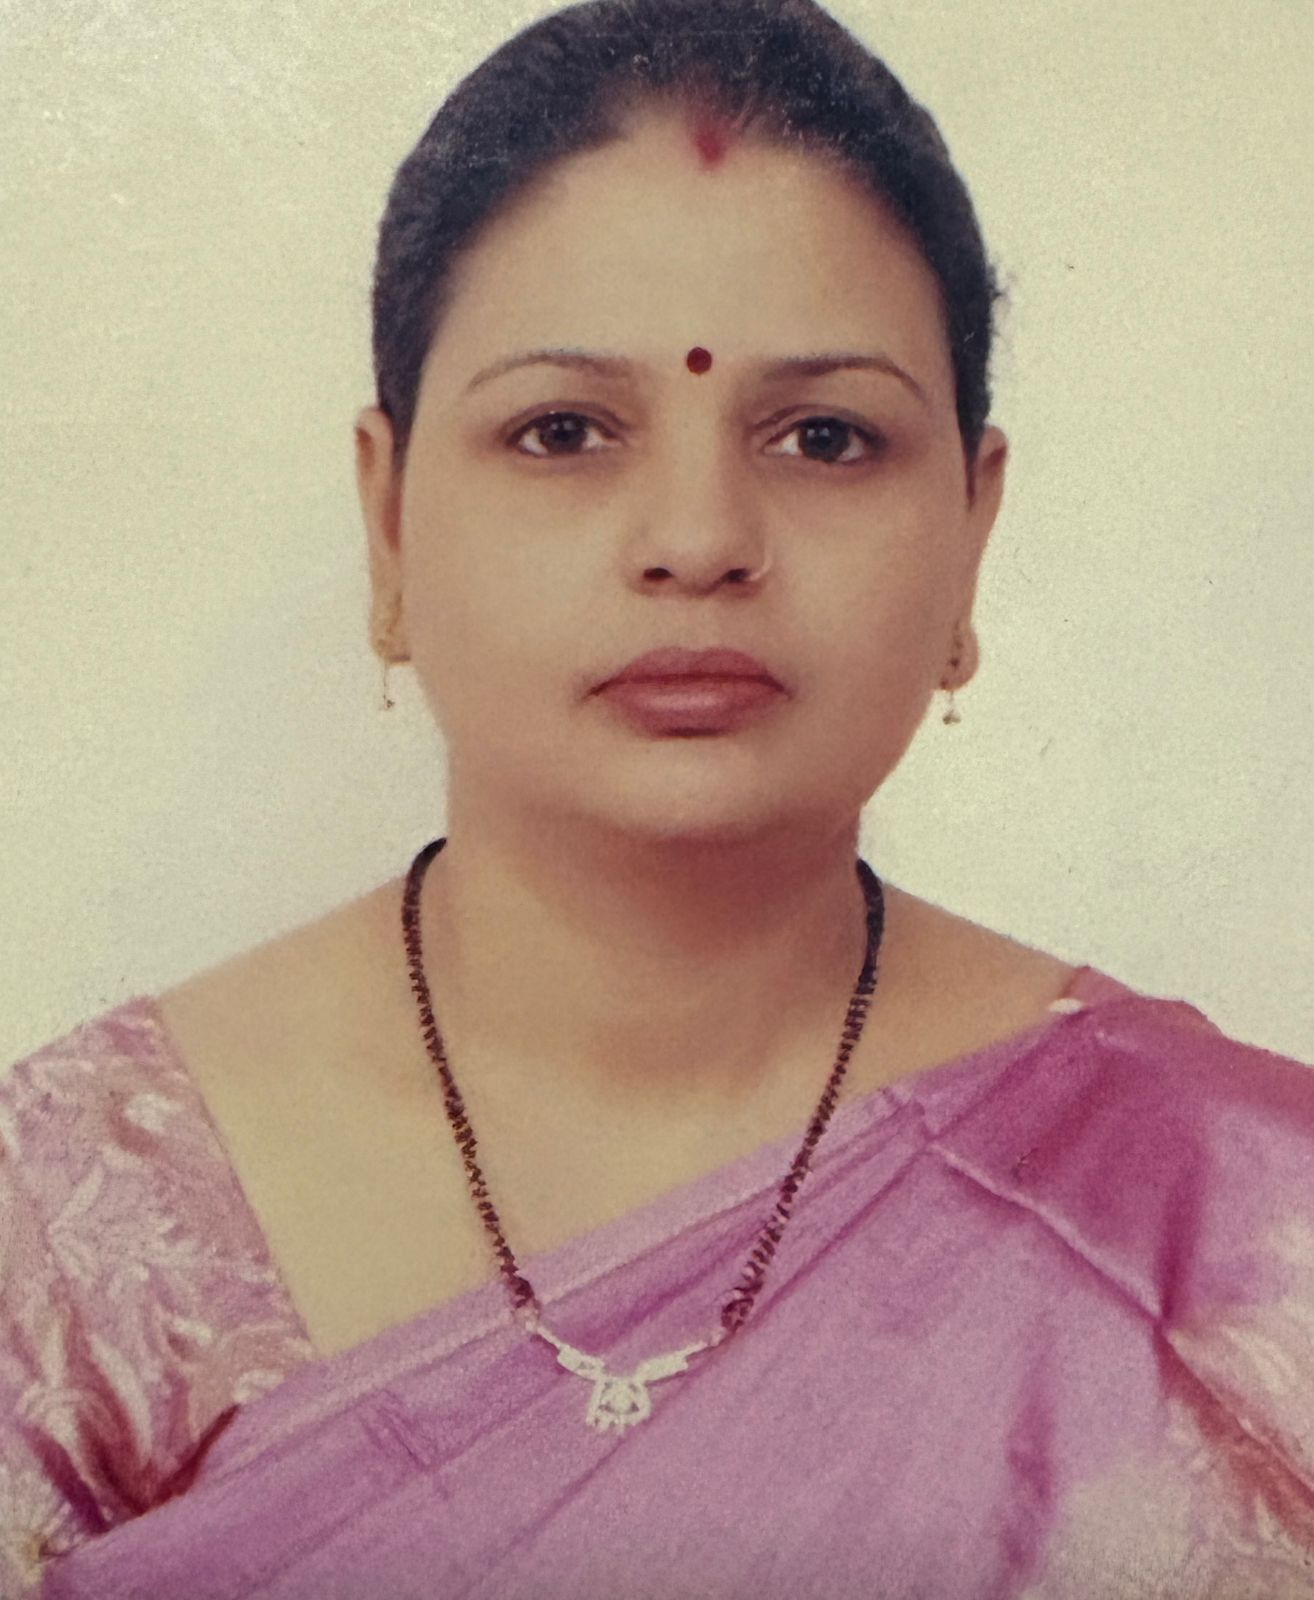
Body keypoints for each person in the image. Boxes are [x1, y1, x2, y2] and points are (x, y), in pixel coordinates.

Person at [3, 0, 1313, 1593]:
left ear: (970, 534)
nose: (697, 537)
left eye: (824, 437)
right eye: (563, 430)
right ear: (389, 520)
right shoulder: (69, 1236)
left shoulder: (1242, 1239)